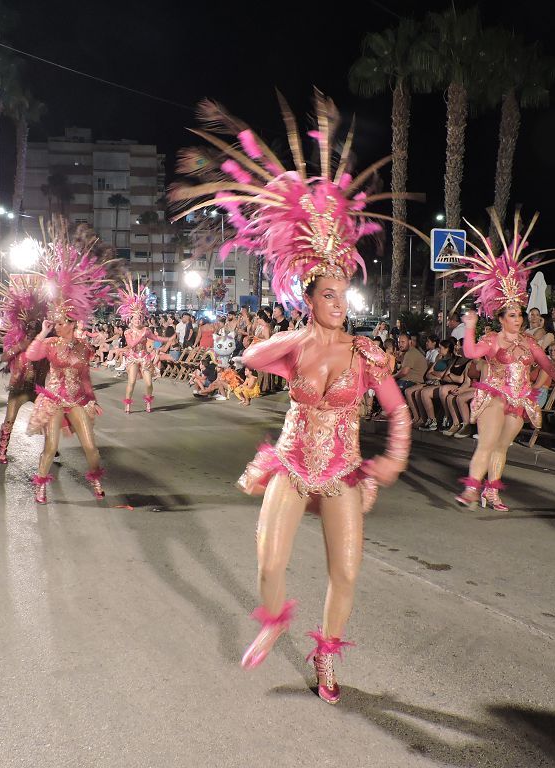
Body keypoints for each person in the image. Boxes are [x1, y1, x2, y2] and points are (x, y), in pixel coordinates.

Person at [170, 93, 415, 704]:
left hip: (342, 472)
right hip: (292, 461)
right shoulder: (296, 346)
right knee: (269, 562)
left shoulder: (367, 355)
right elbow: (249, 358)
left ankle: (326, 656)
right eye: (327, 294)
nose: (339, 302)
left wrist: (392, 459)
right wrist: (300, 330)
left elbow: (398, 411)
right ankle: (275, 619)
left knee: (347, 572)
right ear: (310, 297)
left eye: (342, 294)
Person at [443, 210, 555, 510]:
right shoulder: (491, 340)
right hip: (493, 395)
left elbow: (548, 366)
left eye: (520, 314)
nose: (519, 318)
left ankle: (491, 492)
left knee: (502, 447)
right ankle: (471, 489)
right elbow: (470, 354)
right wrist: (468, 327)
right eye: (514, 315)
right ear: (501, 318)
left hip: (519, 398)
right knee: (487, 441)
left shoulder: (530, 342)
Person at [25, 236, 112, 502]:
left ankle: (96, 481)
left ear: (72, 324)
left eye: (61, 322)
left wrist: (92, 400)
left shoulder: (83, 347)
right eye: (56, 321)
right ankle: (40, 484)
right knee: (50, 447)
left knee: (90, 447)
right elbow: (31, 355)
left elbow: (85, 377)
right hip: (52, 399)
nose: (57, 324)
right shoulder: (49, 343)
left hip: (76, 399)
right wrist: (42, 333)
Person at [0, 274, 50, 465]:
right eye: (29, 325)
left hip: (38, 389)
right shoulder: (16, 338)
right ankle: (2, 450)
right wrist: (20, 346)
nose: (32, 327)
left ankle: (51, 450)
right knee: (9, 420)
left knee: (49, 419)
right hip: (18, 387)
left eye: (36, 325)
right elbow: (3, 357)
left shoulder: (45, 342)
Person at [116, 277, 174, 413]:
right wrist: (141, 336)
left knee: (148, 383)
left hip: (144, 356)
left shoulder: (146, 330)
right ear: (131, 319)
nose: (137, 320)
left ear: (142, 318)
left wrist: (168, 339)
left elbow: (156, 337)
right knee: (132, 382)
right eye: (135, 318)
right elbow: (130, 344)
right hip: (132, 356)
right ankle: (128, 404)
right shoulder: (128, 331)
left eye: (139, 317)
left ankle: (148, 402)